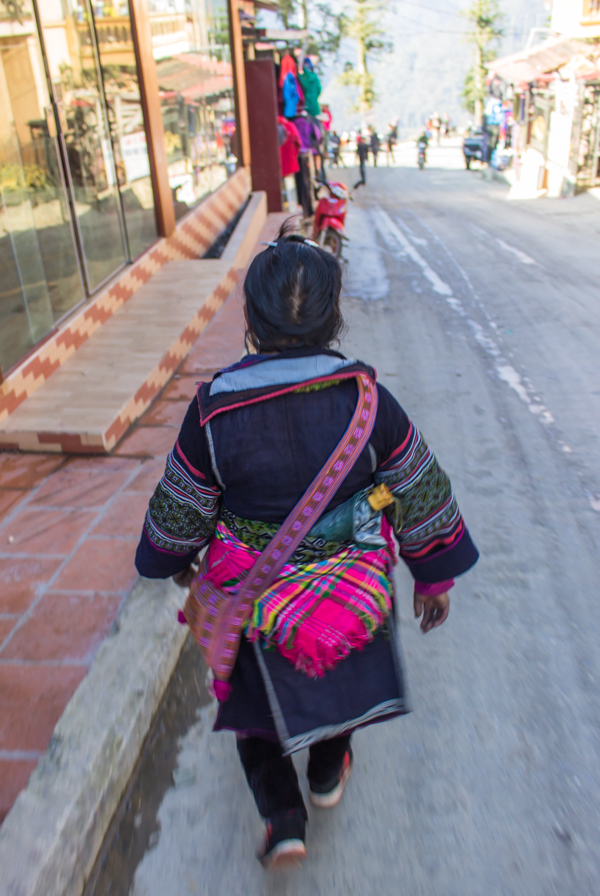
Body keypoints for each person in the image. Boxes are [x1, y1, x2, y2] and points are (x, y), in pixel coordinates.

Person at [135, 223, 479, 871]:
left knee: (255, 715)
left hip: (253, 599)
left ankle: (283, 820)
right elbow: (418, 490)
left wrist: (175, 561)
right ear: (333, 318)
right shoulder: (371, 403)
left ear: (250, 320)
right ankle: (326, 774)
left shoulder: (212, 412)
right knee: (334, 690)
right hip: (348, 597)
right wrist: (434, 579)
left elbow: (183, 509)